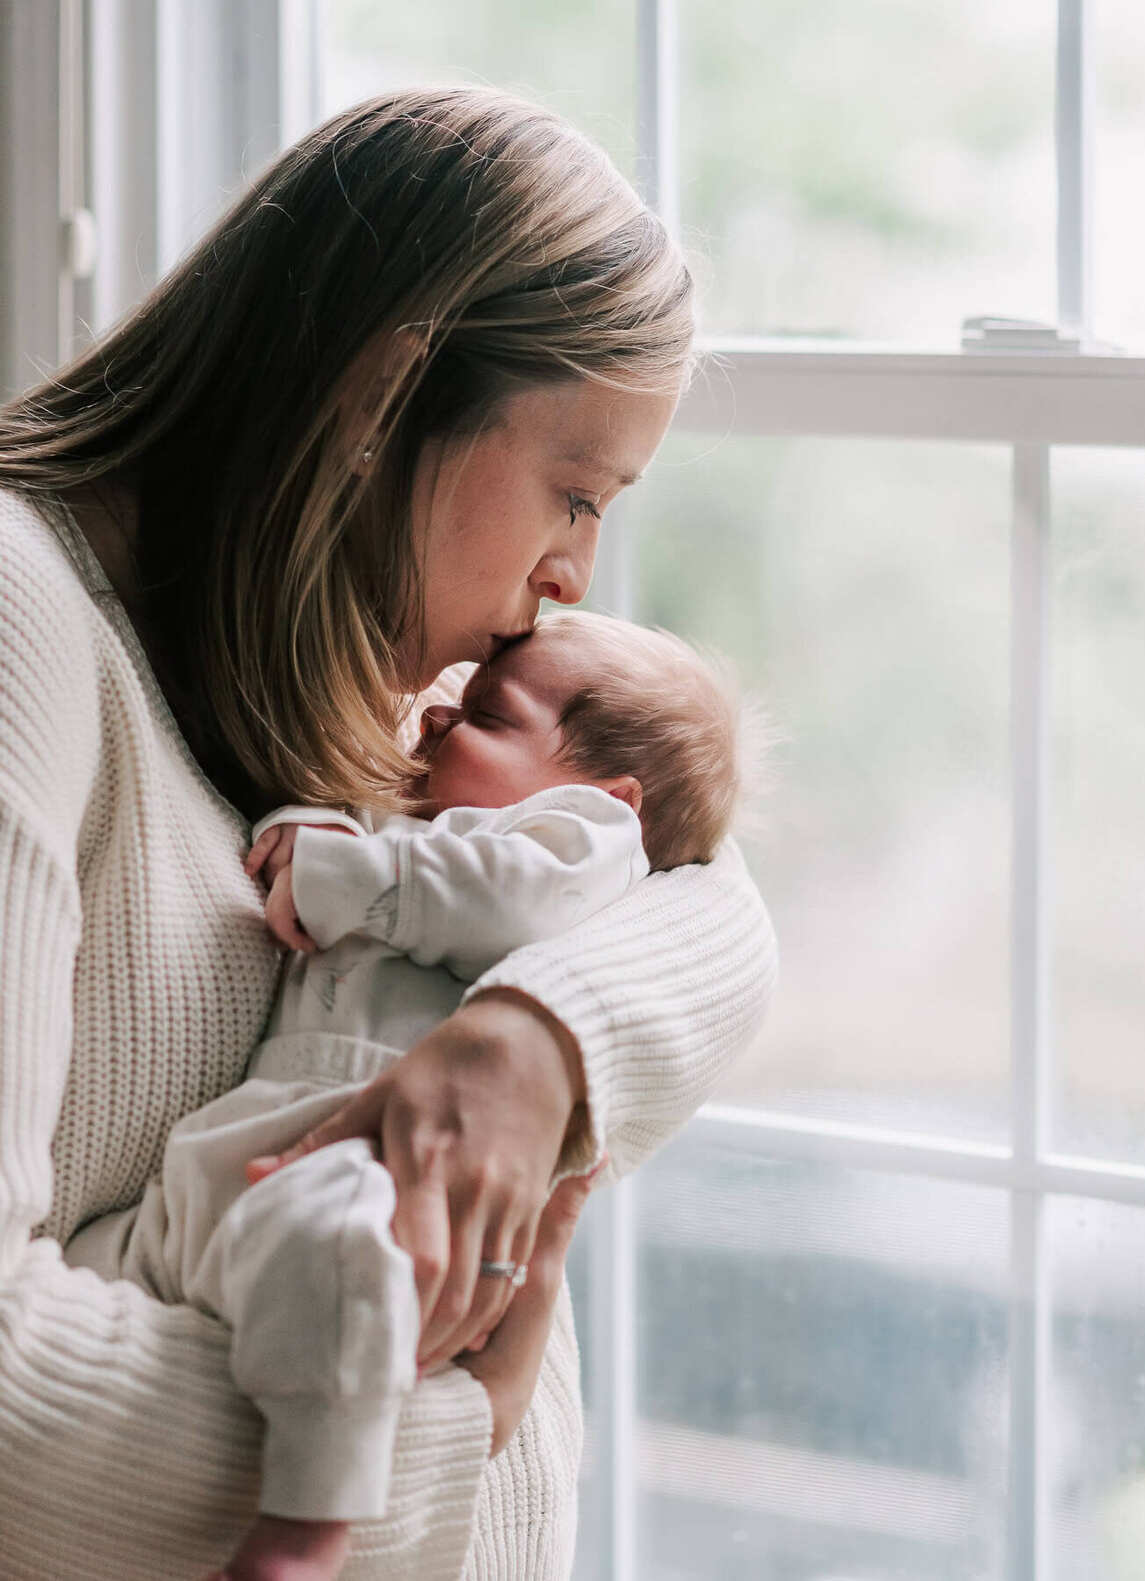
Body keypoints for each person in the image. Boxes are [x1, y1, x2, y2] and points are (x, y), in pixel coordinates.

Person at [0, 87, 777, 1581]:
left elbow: (695, 879)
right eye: (575, 491)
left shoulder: (353, 674)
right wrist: (447, 1439)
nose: (572, 576)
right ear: (381, 395)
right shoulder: (31, 640)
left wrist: (538, 1042)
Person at [66, 610, 747, 1581]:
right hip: (234, 1157)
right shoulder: (415, 825)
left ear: (609, 797)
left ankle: (309, 1524)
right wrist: (305, 833)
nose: (433, 720)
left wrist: (336, 864)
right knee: (96, 1265)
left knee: (338, 1251)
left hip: (368, 1173)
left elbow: (510, 895)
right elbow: (331, 848)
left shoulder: (575, 844)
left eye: (487, 715)